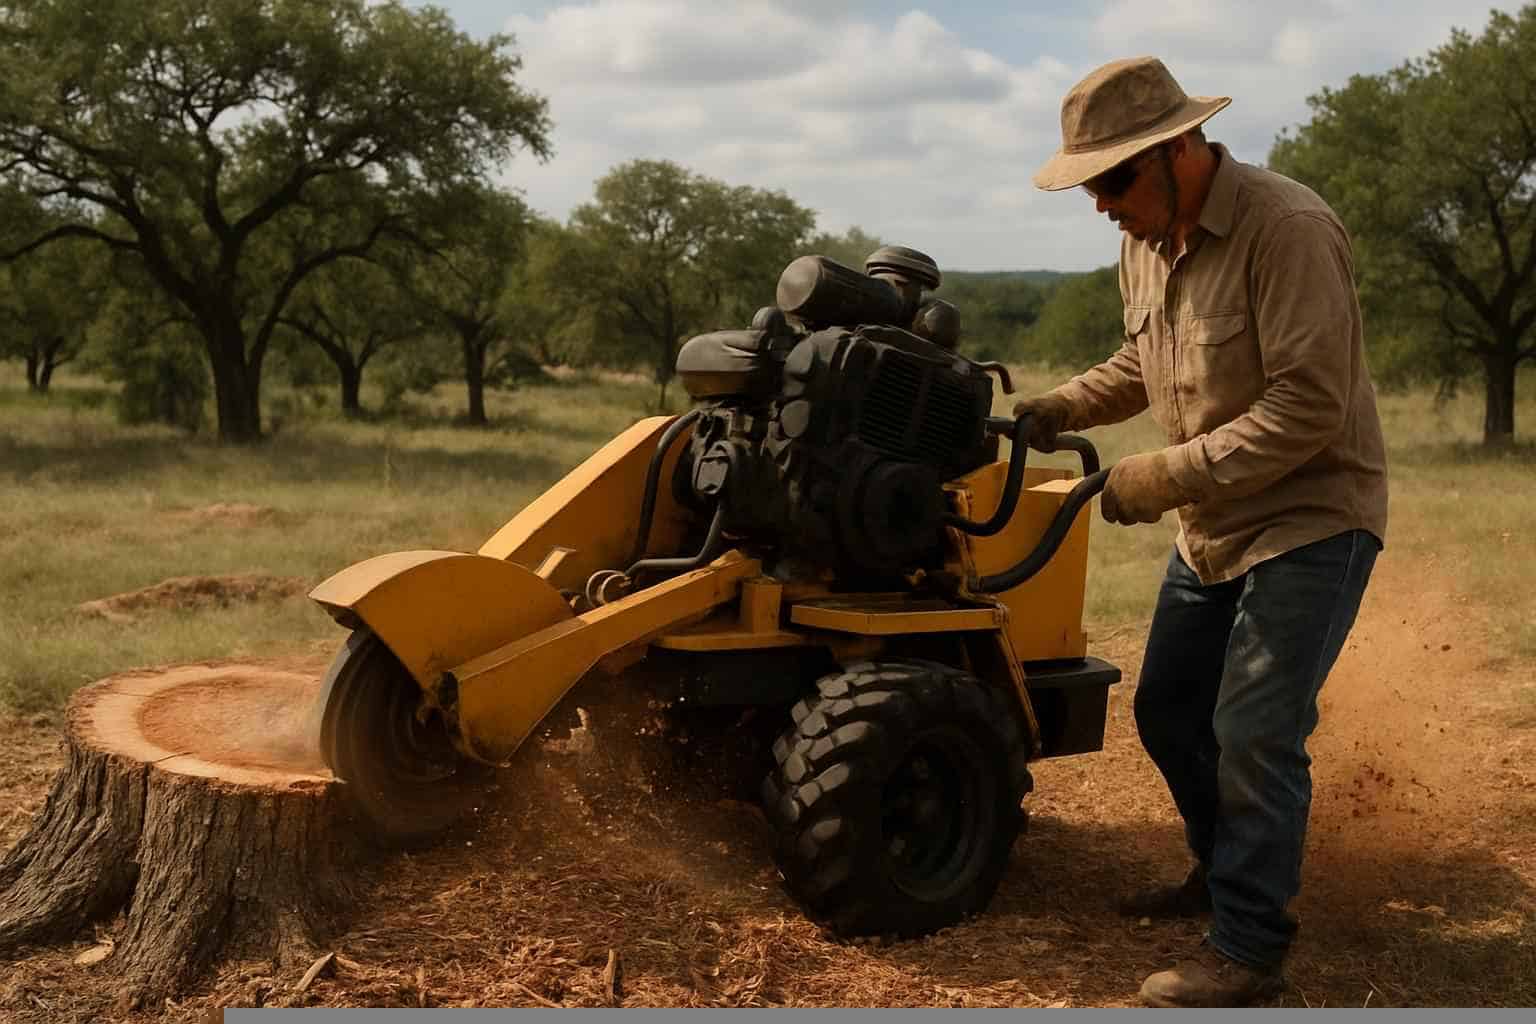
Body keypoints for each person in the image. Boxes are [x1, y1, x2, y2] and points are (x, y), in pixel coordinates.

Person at [1017, 57, 1388, 1007]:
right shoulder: (1144, 239)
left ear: (1180, 150)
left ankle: (1249, 952)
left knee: (1255, 729)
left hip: (1310, 516)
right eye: (1089, 184)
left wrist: (1154, 477)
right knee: (1167, 712)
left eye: (1112, 180)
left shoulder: (1287, 228)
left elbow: (1309, 407)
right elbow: (1144, 361)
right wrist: (1056, 409)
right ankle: (1221, 875)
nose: (1100, 204)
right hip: (1214, 526)